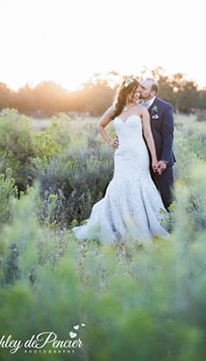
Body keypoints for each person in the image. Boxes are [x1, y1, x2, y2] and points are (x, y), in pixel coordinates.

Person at [73, 77, 170, 244]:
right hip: (121, 156)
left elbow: (148, 135)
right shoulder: (115, 109)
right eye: (136, 91)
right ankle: (119, 225)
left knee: (139, 184)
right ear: (127, 91)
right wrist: (110, 141)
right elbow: (100, 125)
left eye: (141, 91)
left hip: (139, 154)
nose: (139, 94)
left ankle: (142, 226)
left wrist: (154, 159)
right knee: (119, 185)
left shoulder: (141, 110)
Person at [139, 78, 176, 211]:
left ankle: (175, 227)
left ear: (153, 92)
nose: (139, 89)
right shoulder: (135, 107)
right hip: (142, 160)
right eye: (140, 86)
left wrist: (164, 160)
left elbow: (168, 135)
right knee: (148, 199)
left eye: (143, 88)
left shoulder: (165, 108)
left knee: (168, 197)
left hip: (161, 160)